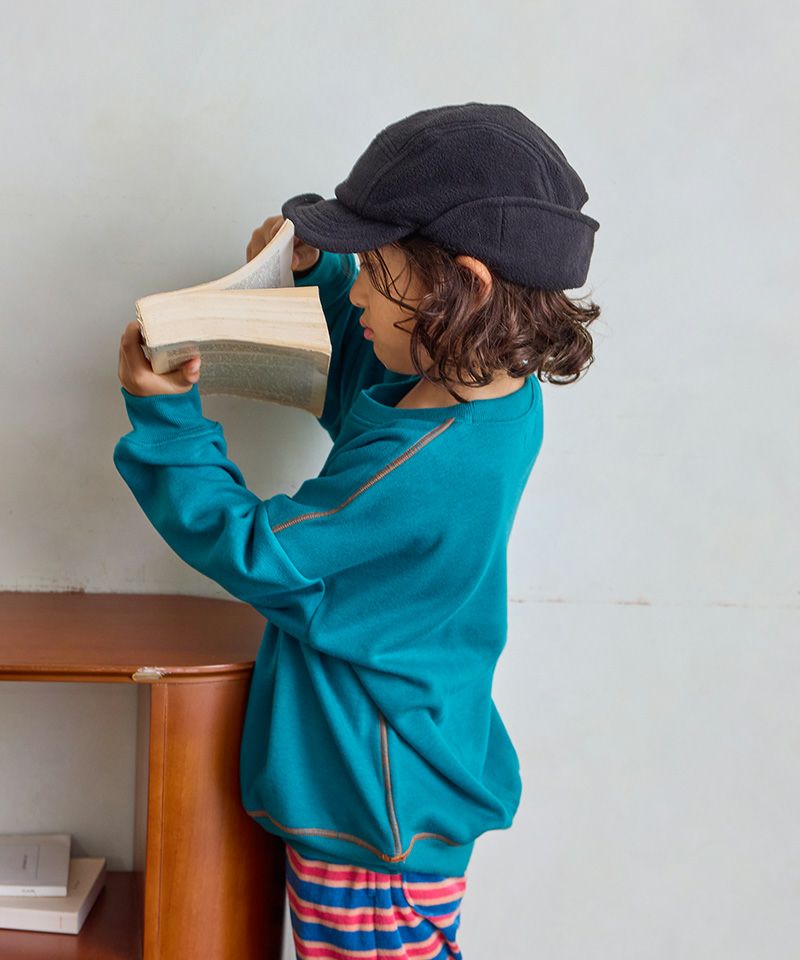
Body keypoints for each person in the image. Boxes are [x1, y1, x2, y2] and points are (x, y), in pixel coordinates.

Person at [114, 102, 600, 960]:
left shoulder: (428, 464)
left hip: (374, 817)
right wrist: (319, 277)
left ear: (465, 286)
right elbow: (372, 393)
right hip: (399, 788)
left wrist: (167, 422)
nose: (362, 291)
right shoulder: (488, 395)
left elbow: (263, 550)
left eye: (374, 270)